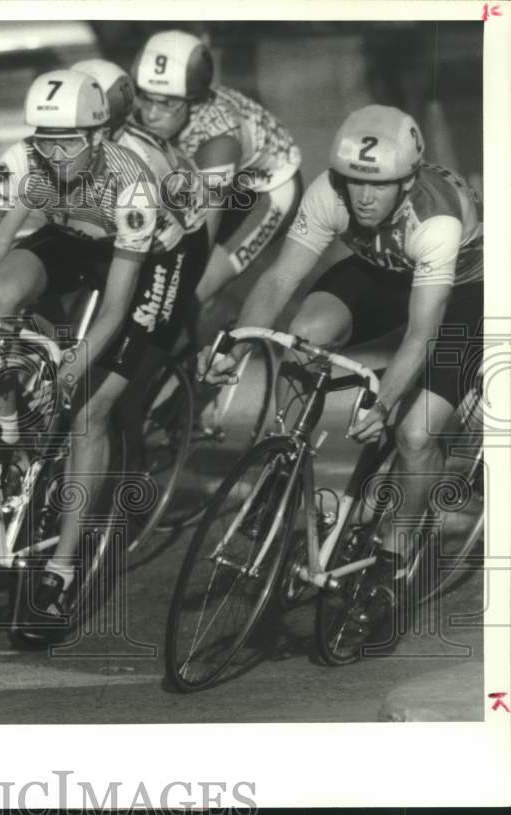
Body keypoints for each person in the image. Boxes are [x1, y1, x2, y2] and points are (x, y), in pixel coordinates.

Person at [0, 70, 209, 639]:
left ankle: (60, 572)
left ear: (98, 138)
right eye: (43, 140)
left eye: (65, 142)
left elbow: (118, 306)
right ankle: (14, 439)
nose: (51, 154)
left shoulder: (132, 183)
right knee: (0, 296)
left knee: (89, 408)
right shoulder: (23, 161)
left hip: (154, 261)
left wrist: (72, 370)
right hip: (77, 236)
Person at [199, 105, 483, 642]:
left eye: (380, 187)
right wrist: (236, 344)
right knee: (303, 334)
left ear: (410, 181)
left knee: (416, 431)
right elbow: (281, 279)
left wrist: (384, 404)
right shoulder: (327, 193)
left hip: (464, 290)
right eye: (354, 183)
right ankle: (283, 464)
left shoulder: (436, 220)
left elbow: (422, 333)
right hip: (383, 270)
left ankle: (391, 564)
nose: (364, 197)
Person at [132, 30, 303, 308]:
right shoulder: (141, 110)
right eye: (147, 98)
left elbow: (202, 236)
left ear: (194, 101)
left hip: (266, 188)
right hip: (204, 172)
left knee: (186, 293)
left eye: (167, 104)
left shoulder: (219, 138)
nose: (151, 113)